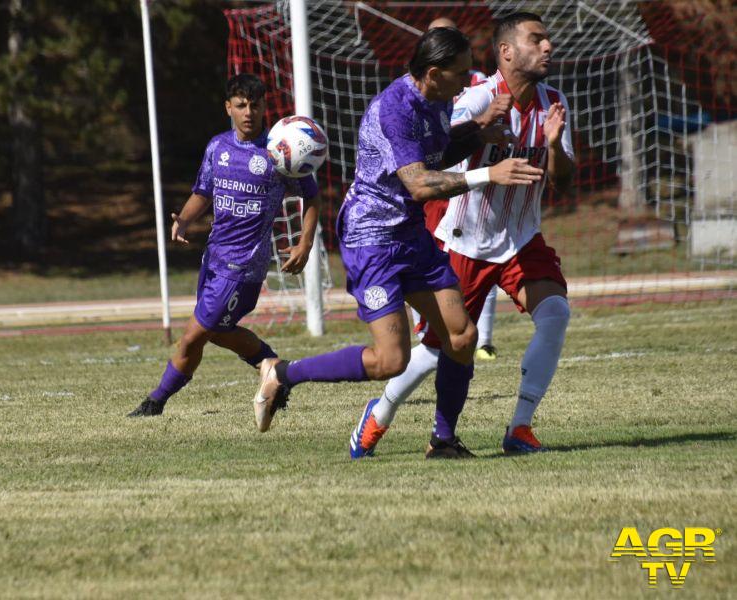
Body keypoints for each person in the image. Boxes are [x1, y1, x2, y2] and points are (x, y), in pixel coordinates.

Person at [251, 27, 543, 458]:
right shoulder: (395, 110)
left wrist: (477, 134)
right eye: (460, 72)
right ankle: (283, 373)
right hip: (371, 239)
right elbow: (420, 184)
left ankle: (443, 441)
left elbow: (436, 155)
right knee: (392, 361)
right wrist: (487, 173)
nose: (469, 80)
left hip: (409, 234)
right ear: (432, 72)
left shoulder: (440, 100)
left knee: (461, 337)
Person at [359, 12, 574, 456]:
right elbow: (429, 159)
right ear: (507, 52)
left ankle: (520, 426)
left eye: (548, 39)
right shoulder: (473, 97)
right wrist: (477, 134)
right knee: (439, 350)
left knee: (554, 314)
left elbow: (564, 180)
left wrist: (553, 146)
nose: (548, 47)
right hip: (465, 239)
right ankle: (379, 415)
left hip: (521, 238)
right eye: (537, 39)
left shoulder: (554, 101)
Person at [128, 74, 321, 418]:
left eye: (256, 105)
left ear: (265, 107)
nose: (249, 112)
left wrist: (304, 243)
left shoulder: (280, 151)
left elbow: (313, 197)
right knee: (217, 332)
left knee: (191, 337)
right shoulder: (218, 147)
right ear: (228, 108)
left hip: (244, 269)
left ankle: (154, 402)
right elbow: (203, 192)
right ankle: (275, 369)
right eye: (242, 105)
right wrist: (184, 220)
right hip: (214, 259)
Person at [427, 15, 498, 361]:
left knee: (484, 252)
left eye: (447, 35)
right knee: (425, 259)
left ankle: (483, 339)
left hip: (470, 181)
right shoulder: (417, 87)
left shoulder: (480, 82)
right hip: (432, 184)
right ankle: (426, 333)